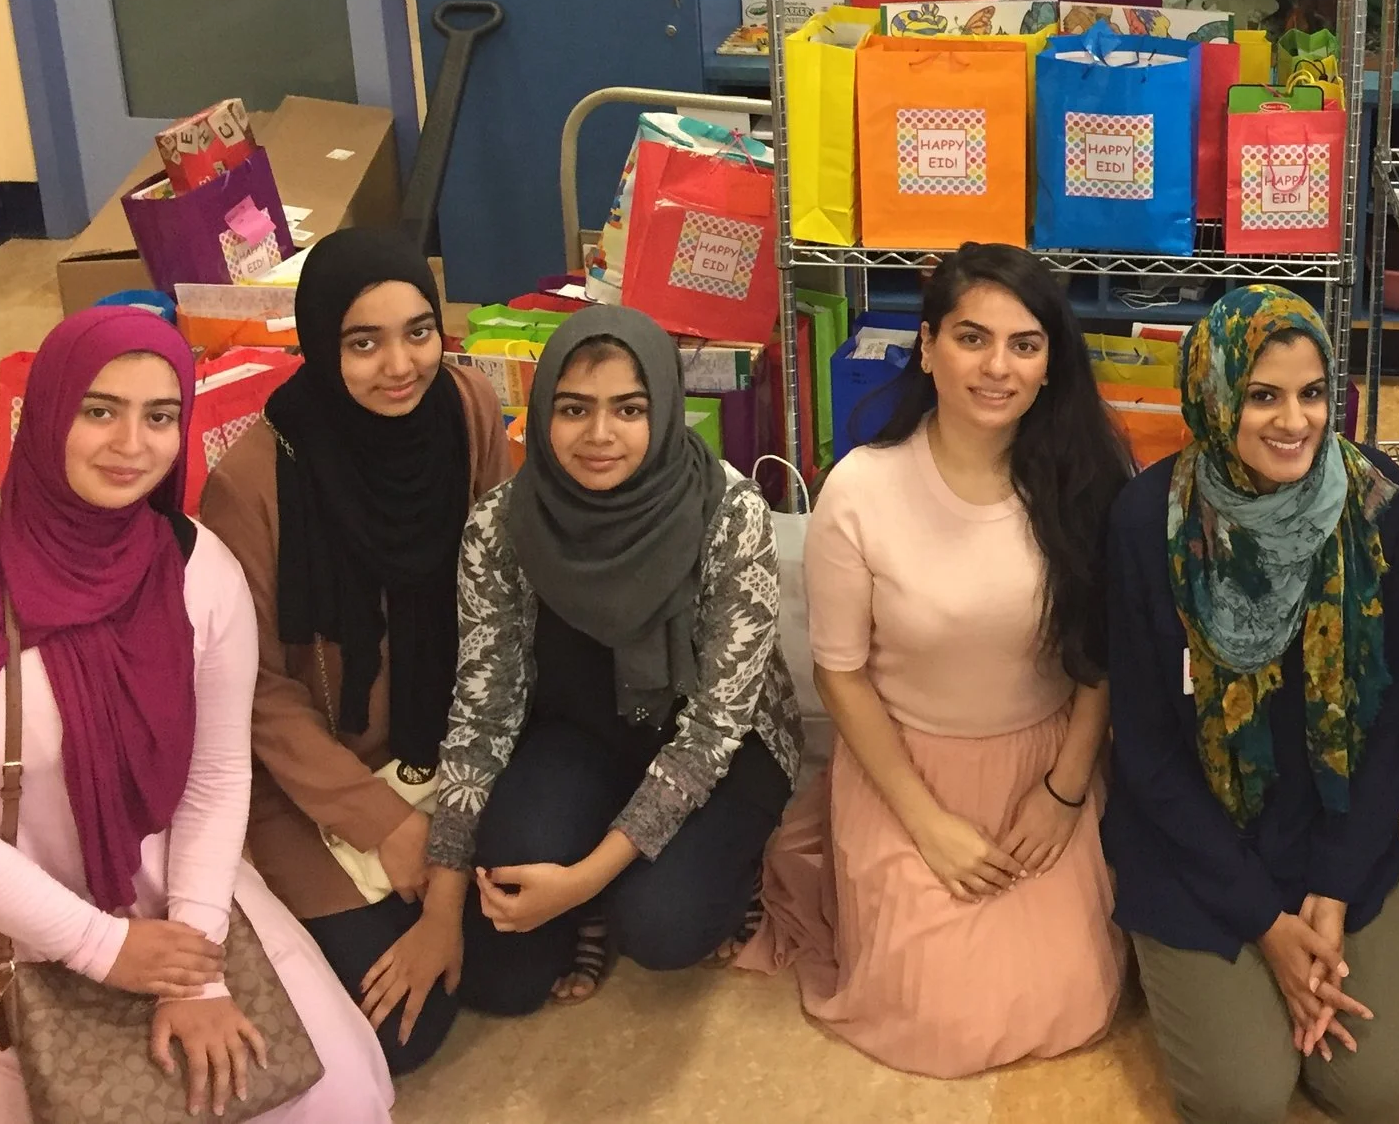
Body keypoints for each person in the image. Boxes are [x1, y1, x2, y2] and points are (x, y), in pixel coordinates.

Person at [0, 307, 392, 1123]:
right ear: (47, 410)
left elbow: (216, 774)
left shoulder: (195, 568)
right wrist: (98, 945)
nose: (132, 443)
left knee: (331, 1094)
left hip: (174, 893)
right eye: (100, 409)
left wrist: (194, 970)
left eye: (160, 416)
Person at [745, 245, 1131, 1075]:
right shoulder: (862, 489)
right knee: (936, 1016)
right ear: (927, 347)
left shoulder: (1086, 481)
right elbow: (840, 674)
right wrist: (926, 822)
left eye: (1024, 344)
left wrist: (1064, 792)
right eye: (971, 337)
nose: (997, 366)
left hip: (1044, 764)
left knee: (1069, 996)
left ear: (1050, 363)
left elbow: (1101, 659)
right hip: (904, 769)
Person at [386, 305, 804, 1021]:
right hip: (581, 732)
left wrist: (583, 881)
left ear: (664, 410)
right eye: (574, 408)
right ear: (542, 412)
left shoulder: (728, 511)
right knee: (500, 976)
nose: (600, 434)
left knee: (662, 925)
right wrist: (443, 901)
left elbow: (714, 729)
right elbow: (483, 710)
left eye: (629, 409)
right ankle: (602, 879)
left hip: (721, 751)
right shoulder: (503, 524)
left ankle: (714, 873)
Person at [1105, 285, 1399, 1124]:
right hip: (1197, 844)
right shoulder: (1148, 522)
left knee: (1382, 1091)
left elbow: (1384, 716)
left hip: (1333, 829)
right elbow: (1144, 751)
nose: (1294, 420)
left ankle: (1290, 960)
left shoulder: (1378, 507)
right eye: (1262, 395)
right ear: (1214, 396)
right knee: (1244, 1097)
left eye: (1313, 392)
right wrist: (1269, 925)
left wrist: (1333, 888)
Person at [198, 229, 508, 1073]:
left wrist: (446, 848)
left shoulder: (466, 408)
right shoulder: (253, 483)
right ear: (320, 343)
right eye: (363, 343)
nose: (400, 365)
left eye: (419, 331)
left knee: (516, 968)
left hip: (451, 747)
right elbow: (257, 689)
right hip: (318, 783)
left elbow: (498, 607)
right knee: (402, 1032)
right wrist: (386, 823)